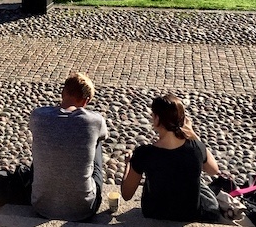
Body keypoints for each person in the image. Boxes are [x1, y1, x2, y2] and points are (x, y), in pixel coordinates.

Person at [121, 94, 220, 222]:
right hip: (190, 214)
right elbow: (213, 170)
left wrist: (128, 165)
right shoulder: (196, 148)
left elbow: (126, 194)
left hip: (155, 213)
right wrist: (194, 136)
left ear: (157, 119)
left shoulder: (144, 154)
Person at [30, 73, 108, 222]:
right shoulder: (95, 120)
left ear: (63, 93)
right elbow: (105, 135)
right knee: (96, 141)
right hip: (83, 208)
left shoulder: (38, 115)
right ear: (86, 101)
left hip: (41, 205)